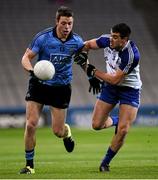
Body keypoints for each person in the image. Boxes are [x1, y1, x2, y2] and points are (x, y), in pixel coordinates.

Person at [19, 6, 101, 174]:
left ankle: (66, 132)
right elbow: (26, 58)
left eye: (70, 23)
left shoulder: (77, 41)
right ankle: (29, 165)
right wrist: (32, 72)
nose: (67, 27)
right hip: (39, 84)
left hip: (61, 87)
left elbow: (82, 60)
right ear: (57, 22)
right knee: (31, 124)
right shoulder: (43, 38)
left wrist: (91, 76)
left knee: (57, 131)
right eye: (64, 23)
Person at [84, 23, 142, 172]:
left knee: (123, 130)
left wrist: (94, 71)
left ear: (124, 40)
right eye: (111, 35)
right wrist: (86, 66)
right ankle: (118, 120)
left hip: (129, 89)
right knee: (96, 125)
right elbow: (86, 45)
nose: (111, 40)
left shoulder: (131, 55)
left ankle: (105, 163)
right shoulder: (106, 40)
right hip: (110, 88)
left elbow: (116, 79)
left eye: (115, 37)